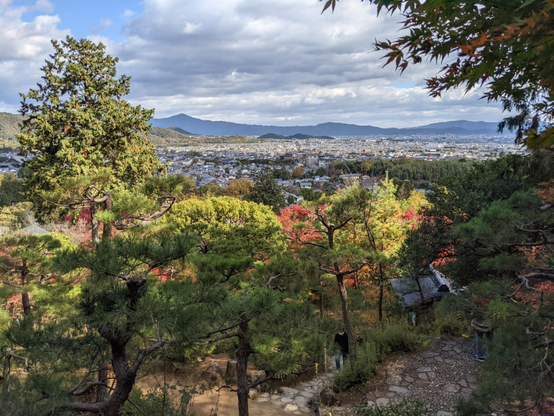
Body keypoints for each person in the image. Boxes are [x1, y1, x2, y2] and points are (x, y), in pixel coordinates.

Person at [471, 296, 493, 362]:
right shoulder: (494, 295)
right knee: (490, 338)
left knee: (479, 338)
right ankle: (489, 355)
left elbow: (474, 305)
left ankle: (480, 355)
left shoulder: (478, 297)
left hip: (480, 322)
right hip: (491, 322)